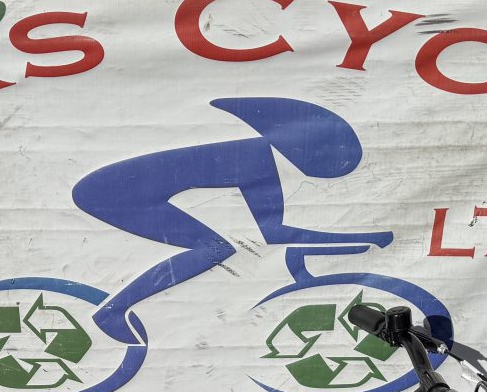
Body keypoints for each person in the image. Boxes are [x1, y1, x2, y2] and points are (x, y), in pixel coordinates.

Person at [71, 97, 394, 343]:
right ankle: (111, 312)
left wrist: (357, 242)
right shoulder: (257, 161)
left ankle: (113, 311)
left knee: (215, 247)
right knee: (213, 249)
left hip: (114, 190)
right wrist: (363, 238)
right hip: (107, 193)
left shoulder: (256, 154)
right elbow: (273, 232)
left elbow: (274, 232)